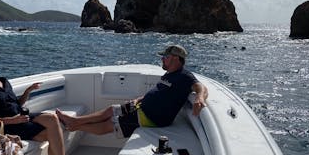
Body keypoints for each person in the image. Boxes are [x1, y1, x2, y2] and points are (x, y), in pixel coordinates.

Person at [56, 45, 208, 138]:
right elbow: (158, 93)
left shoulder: (184, 76)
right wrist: (139, 100)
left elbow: (200, 86)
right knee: (111, 109)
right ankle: (75, 121)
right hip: (141, 107)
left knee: (111, 124)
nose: (162, 59)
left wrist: (199, 98)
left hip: (151, 118)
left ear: (175, 58)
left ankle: (75, 126)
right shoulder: (170, 74)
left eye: (165, 57)